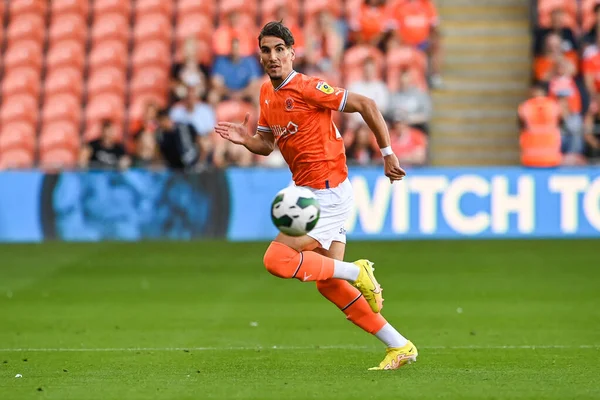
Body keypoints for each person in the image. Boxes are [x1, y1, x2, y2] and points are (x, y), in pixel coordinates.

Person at [215, 21, 416, 371]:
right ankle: (400, 346)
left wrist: (388, 153)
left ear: (293, 53)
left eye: (280, 49)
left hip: (325, 192)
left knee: (276, 260)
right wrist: (247, 140)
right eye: (266, 50)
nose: (273, 56)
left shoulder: (308, 87)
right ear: (260, 55)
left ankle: (357, 271)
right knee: (328, 284)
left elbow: (366, 104)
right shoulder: (266, 93)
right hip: (312, 190)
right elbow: (266, 144)